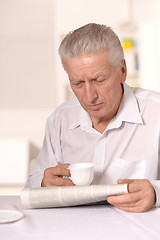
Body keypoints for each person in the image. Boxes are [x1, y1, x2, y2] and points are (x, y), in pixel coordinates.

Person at [26, 23, 160, 213]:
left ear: (122, 70)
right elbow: (32, 183)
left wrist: (155, 192)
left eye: (99, 80)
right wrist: (42, 182)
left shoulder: (156, 113)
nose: (89, 96)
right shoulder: (60, 119)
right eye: (78, 83)